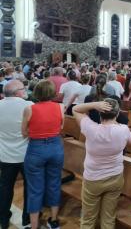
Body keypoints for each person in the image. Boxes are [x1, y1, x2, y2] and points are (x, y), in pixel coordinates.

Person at [72, 99, 131, 229]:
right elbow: (130, 141)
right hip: (115, 177)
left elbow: (75, 109)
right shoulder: (123, 130)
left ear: (100, 113)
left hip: (93, 179)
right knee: (108, 217)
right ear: (117, 115)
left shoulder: (91, 128)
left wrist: (94, 105)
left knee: (88, 218)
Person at [21, 80, 64, 229]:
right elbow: (61, 127)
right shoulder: (60, 107)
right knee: (54, 184)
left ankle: (34, 226)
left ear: (37, 93)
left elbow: (24, 133)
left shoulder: (29, 108)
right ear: (52, 92)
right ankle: (53, 220)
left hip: (36, 148)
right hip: (55, 147)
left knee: (35, 189)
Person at [0, 80, 32, 229]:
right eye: (22, 88)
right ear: (17, 92)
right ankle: (27, 219)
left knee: (5, 187)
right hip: (25, 153)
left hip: (5, 154)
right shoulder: (28, 105)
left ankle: (4, 219)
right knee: (29, 187)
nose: (25, 90)